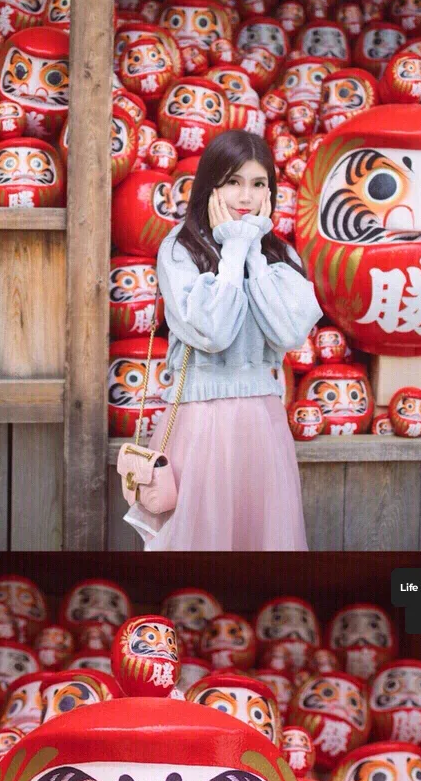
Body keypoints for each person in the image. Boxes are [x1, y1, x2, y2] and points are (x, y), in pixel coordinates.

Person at [125, 129, 323, 551]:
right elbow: (212, 332)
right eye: (233, 182)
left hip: (263, 424)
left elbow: (289, 332)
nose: (245, 197)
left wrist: (253, 252)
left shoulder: (281, 257)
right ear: (211, 186)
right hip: (201, 424)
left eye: (257, 184)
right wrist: (232, 252)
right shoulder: (180, 250)